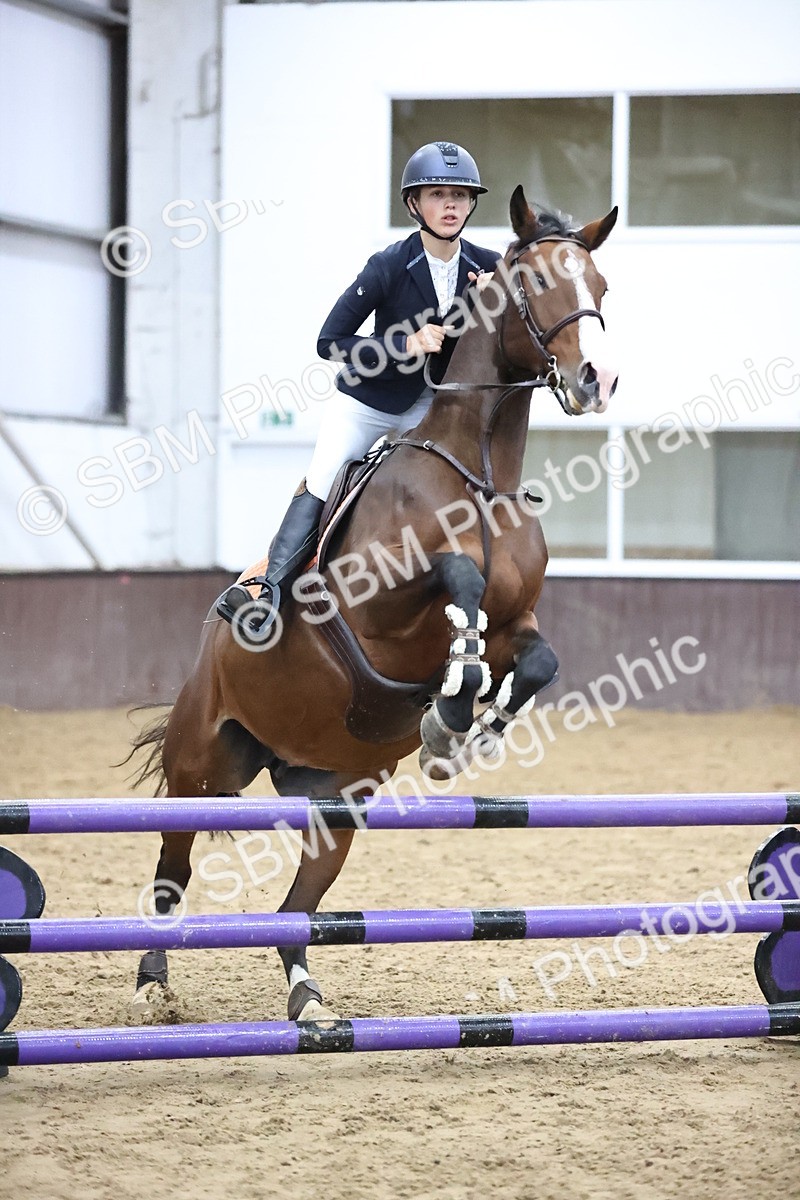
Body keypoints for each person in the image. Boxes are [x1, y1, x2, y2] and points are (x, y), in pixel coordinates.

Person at [218, 141, 500, 629]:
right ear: (415, 204)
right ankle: (267, 592)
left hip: (433, 405)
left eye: (460, 194)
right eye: (438, 194)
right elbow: (330, 341)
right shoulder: (388, 265)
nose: (451, 205)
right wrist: (402, 344)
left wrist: (491, 303)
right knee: (325, 476)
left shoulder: (486, 265)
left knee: (476, 479)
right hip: (369, 403)